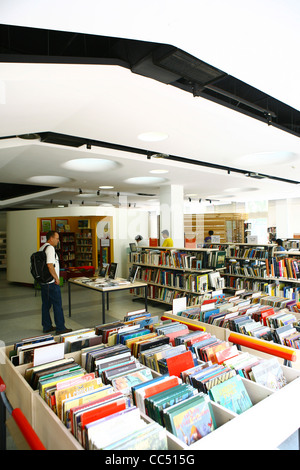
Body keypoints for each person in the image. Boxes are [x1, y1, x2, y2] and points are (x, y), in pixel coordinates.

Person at [39, 231, 72, 334]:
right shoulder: (50, 248)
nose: (58, 241)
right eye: (57, 238)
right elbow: (50, 265)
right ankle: (60, 328)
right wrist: (56, 278)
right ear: (51, 238)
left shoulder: (42, 248)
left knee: (46, 305)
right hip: (51, 283)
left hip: (44, 282)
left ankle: (47, 326)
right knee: (57, 305)